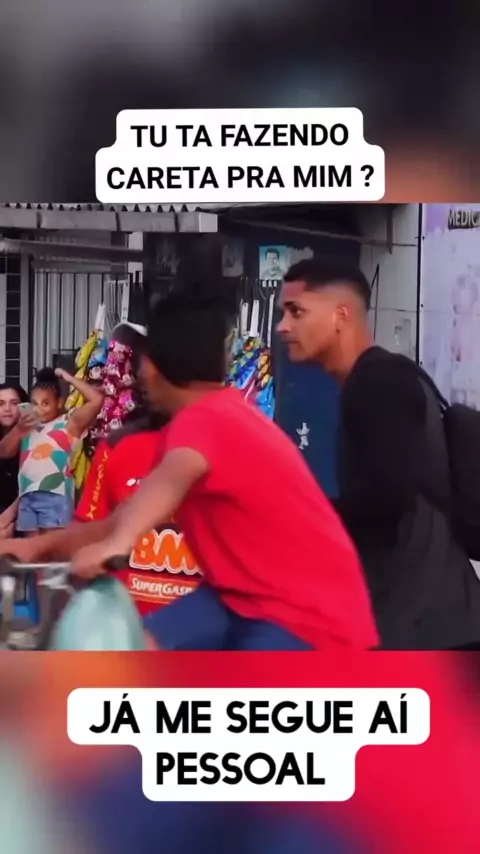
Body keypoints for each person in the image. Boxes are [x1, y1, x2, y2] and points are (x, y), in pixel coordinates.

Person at [70, 285, 378, 652]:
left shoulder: (206, 420)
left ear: (152, 367)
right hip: (235, 597)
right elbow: (123, 515)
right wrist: (35, 547)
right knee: (137, 645)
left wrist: (118, 544)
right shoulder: (205, 420)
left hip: (301, 618)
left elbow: (170, 481)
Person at [276, 257, 480, 650]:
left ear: (341, 315)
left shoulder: (379, 382)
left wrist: (298, 516)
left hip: (424, 628)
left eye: (296, 312)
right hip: (424, 621)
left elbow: (384, 498)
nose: (283, 326)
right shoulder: (383, 376)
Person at [0, 324, 202, 623]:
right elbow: (90, 529)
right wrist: (31, 548)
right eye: (141, 362)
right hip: (122, 625)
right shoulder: (117, 447)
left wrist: (69, 379)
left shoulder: (228, 441)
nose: (143, 374)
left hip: (189, 627)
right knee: (41, 573)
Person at [0, 367, 103, 536]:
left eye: (45, 403)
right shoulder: (27, 426)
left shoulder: (68, 424)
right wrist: (19, 429)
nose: (39, 408)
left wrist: (69, 378)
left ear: (59, 403)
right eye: (34, 403)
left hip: (55, 496)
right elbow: (4, 452)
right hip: (27, 497)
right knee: (31, 549)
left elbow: (97, 399)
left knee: (51, 548)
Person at [0, 381, 28, 517]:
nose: (7, 409)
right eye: (1, 404)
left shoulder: (34, 438)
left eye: (14, 403)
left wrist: (7, 517)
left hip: (26, 510)